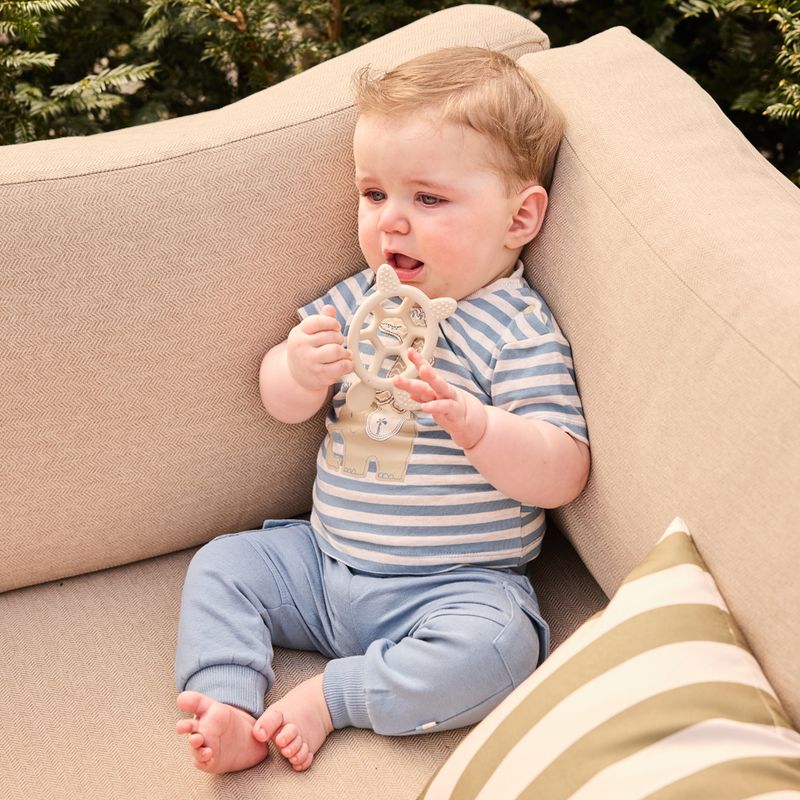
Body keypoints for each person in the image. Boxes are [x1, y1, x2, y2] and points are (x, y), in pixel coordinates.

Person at [174, 46, 590, 775]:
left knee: (502, 646)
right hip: (322, 563)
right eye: (374, 195)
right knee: (224, 564)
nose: (391, 223)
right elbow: (278, 400)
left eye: (428, 199)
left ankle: (337, 696)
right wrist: (297, 371)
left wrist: (480, 426)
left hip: (454, 588)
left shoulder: (515, 330)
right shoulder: (363, 296)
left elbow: (564, 471)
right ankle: (228, 702)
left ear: (520, 217)